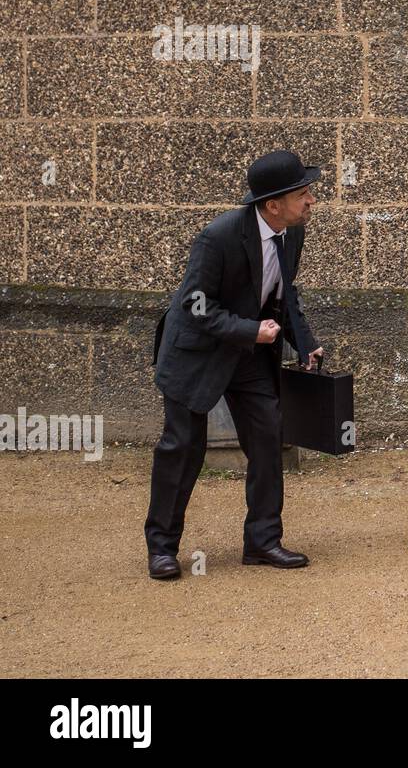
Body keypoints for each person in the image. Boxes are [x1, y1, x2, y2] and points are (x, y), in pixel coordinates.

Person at [144, 150, 325, 579]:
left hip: (249, 357)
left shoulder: (291, 233)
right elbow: (194, 304)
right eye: (304, 194)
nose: (312, 201)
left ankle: (263, 542)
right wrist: (250, 330)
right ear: (272, 204)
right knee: (183, 450)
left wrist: (306, 344)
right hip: (196, 355)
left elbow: (286, 295)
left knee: (267, 438)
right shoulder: (218, 236)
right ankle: (162, 549)